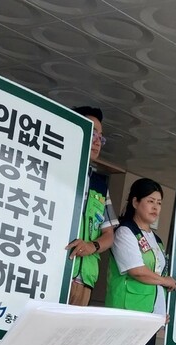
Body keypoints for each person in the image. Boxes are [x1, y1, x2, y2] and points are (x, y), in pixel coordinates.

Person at [91, 178, 175, 345]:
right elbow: (137, 271)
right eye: (150, 201)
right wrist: (165, 281)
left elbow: (156, 274)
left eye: (159, 202)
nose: (155, 207)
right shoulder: (125, 232)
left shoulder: (156, 239)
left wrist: (162, 312)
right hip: (126, 311)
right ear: (135, 202)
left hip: (148, 316)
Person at [65, 105, 120, 307]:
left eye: (101, 137)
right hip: (56, 272)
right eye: (92, 133)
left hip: (84, 280)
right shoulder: (58, 172)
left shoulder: (99, 184)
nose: (97, 141)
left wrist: (92, 246)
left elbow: (109, 235)